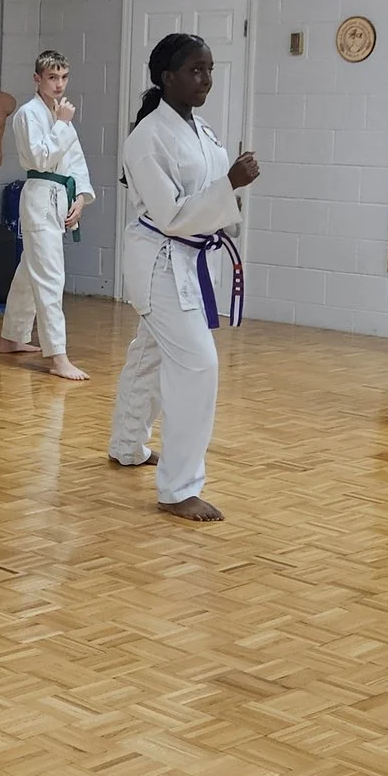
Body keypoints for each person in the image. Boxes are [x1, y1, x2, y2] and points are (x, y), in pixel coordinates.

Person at [106, 34, 259, 522]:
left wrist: (226, 186)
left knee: (151, 353)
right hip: (160, 263)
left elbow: (202, 199)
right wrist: (229, 184)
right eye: (195, 70)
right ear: (167, 77)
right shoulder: (146, 138)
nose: (206, 80)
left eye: (209, 69)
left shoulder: (200, 128)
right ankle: (178, 487)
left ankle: (127, 444)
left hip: (190, 259)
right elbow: (172, 214)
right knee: (197, 366)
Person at [0, 51, 97, 378]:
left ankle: (11, 337)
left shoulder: (59, 113)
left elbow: (76, 160)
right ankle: (58, 357)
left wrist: (81, 197)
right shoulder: (28, 114)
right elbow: (41, 158)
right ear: (37, 79)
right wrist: (63, 124)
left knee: (30, 271)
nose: (59, 84)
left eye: (64, 77)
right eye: (52, 77)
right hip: (40, 196)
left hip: (60, 195)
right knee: (51, 276)